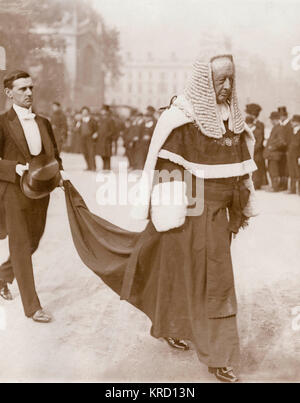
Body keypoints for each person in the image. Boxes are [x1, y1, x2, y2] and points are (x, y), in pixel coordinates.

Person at [63, 54, 258, 383]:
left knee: (181, 274)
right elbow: (167, 171)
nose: (226, 86)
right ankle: (220, 355)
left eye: (231, 79)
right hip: (190, 211)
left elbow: (239, 170)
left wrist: (238, 207)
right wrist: (178, 215)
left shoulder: (234, 121)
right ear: (203, 81)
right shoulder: (181, 119)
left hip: (218, 215)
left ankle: (175, 326)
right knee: (214, 280)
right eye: (219, 79)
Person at [0, 70, 64, 322]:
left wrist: (61, 176)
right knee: (20, 246)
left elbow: (54, 156)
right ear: (9, 93)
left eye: (30, 88)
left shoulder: (44, 122)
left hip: (40, 192)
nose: (28, 93)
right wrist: (13, 168)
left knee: (33, 242)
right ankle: (32, 306)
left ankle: (2, 277)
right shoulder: (2, 123)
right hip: (12, 191)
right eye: (22, 89)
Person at [245, 103, 268, 189]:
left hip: (257, 150)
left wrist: (254, 149)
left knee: (258, 167)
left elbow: (260, 140)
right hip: (251, 148)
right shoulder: (246, 122)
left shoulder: (260, 125)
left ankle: (258, 184)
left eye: (250, 114)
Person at [263, 111, 286, 192]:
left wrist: (271, 147)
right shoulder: (276, 127)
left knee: (274, 171)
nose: (270, 121)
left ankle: (275, 187)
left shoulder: (279, 128)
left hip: (274, 154)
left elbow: (282, 141)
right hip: (273, 154)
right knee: (272, 170)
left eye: (271, 120)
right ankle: (274, 186)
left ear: (274, 120)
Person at [134, 106, 157, 170]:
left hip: (150, 145)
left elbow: (156, 133)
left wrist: (150, 136)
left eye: (148, 117)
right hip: (142, 144)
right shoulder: (143, 123)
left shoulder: (155, 123)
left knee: (149, 159)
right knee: (141, 158)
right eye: (145, 117)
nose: (146, 118)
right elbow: (139, 132)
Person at [77, 106, 98, 171]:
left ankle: (93, 167)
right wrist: (77, 125)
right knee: (85, 152)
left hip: (90, 137)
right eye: (83, 112)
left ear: (88, 112)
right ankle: (89, 166)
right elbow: (77, 129)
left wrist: (95, 133)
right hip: (83, 138)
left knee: (91, 152)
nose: (84, 113)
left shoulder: (92, 120)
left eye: (86, 112)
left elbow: (96, 128)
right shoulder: (80, 120)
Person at [95, 105, 115, 171]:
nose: (102, 111)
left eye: (103, 110)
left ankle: (108, 167)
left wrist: (107, 136)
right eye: (102, 110)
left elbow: (112, 131)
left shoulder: (110, 119)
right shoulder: (100, 119)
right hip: (100, 139)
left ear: (107, 111)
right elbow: (98, 128)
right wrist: (97, 134)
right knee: (102, 153)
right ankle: (104, 166)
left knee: (107, 154)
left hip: (107, 140)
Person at [278, 106, 292, 191]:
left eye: (282, 116)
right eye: (280, 116)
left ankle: (285, 185)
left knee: (286, 168)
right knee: (281, 167)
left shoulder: (289, 125)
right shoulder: (281, 125)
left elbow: (290, 138)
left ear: (285, 116)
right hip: (280, 150)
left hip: (286, 150)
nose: (281, 117)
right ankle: (282, 184)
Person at [287, 115, 300, 194]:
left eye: (293, 121)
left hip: (298, 155)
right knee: (291, 172)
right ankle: (292, 189)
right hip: (290, 155)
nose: (292, 123)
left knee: (298, 172)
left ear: (298, 122)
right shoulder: (291, 131)